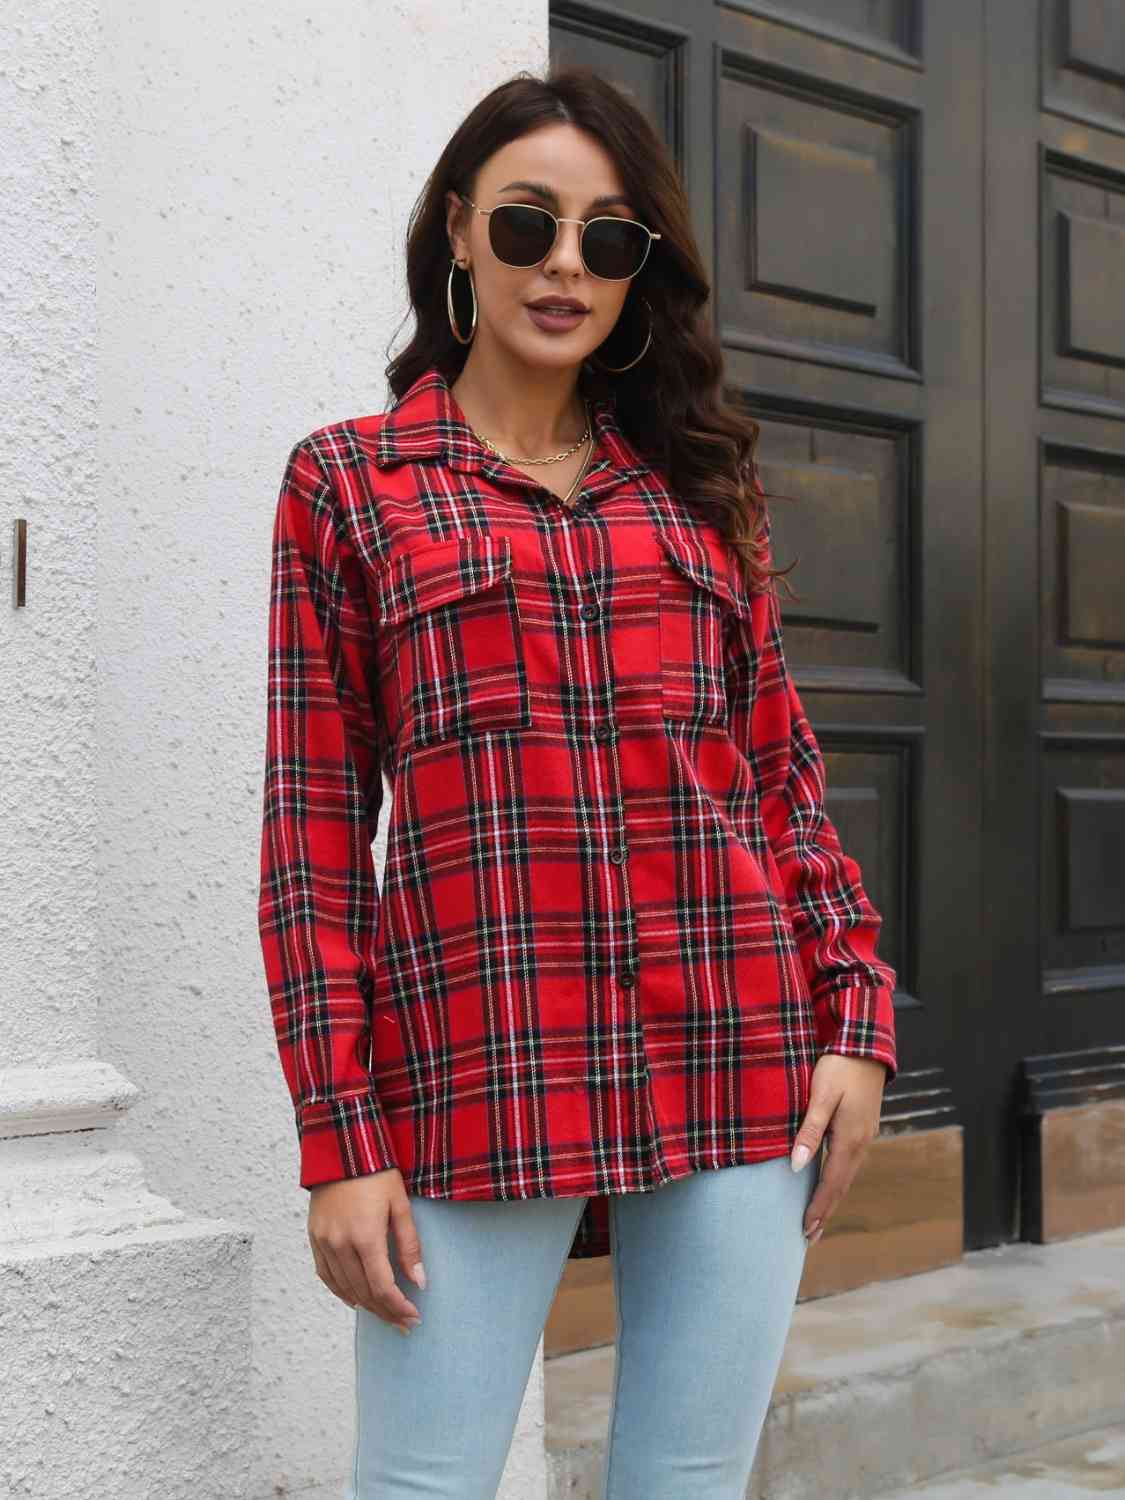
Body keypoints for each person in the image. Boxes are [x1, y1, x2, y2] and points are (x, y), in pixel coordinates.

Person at [257, 62, 898, 1500]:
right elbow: (311, 843)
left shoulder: (696, 492)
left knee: (685, 1484)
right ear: (457, 229)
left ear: (636, 268)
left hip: (737, 1048)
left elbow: (778, 778)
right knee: (420, 1484)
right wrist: (337, 1138)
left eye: (606, 238)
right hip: (478, 1062)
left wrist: (853, 1016)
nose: (563, 265)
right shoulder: (349, 488)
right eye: (525, 223)